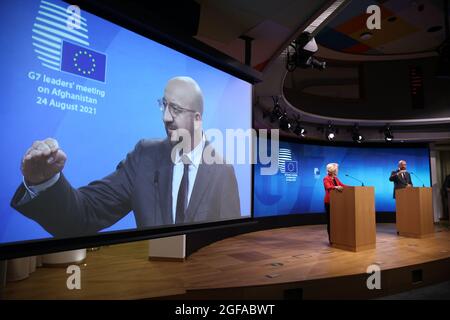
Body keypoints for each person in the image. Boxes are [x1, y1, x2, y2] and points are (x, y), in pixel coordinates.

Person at [10, 76, 241, 238]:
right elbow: (85, 215)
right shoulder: (144, 156)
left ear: (198, 118)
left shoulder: (221, 170)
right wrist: (45, 182)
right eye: (164, 105)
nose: (166, 117)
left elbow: (230, 243)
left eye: (176, 109)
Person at [323, 163, 347, 244]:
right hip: (329, 202)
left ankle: (338, 238)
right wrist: (336, 187)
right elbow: (328, 187)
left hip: (337, 203)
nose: (338, 170)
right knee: (330, 222)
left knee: (337, 221)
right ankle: (331, 239)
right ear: (333, 170)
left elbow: (342, 185)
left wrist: (353, 188)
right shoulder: (326, 178)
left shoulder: (336, 179)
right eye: (337, 169)